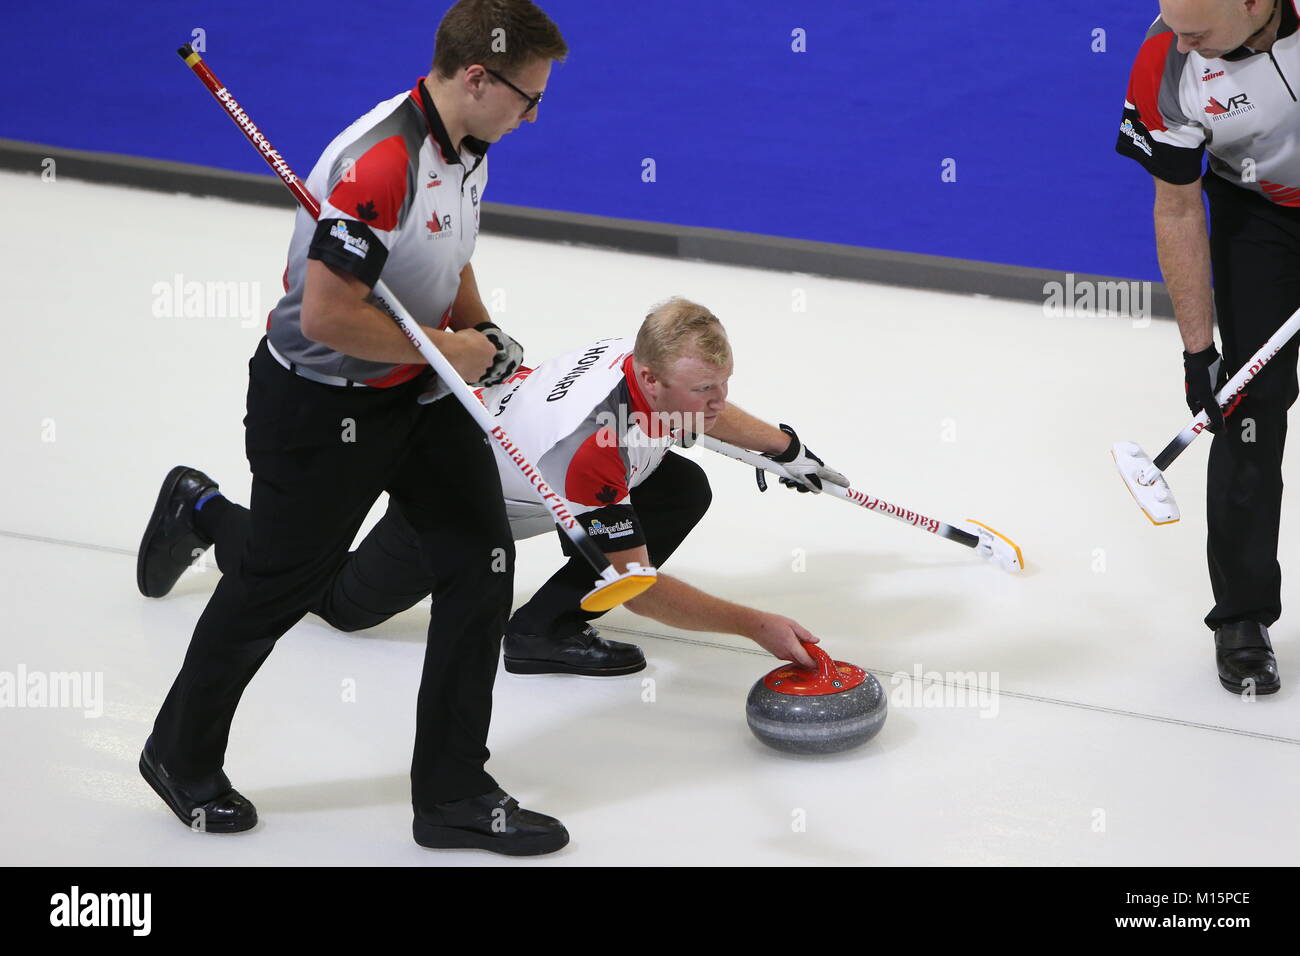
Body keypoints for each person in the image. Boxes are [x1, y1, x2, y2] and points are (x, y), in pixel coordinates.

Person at [137, 0, 574, 856]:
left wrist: (483, 337)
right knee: (278, 587)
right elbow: (333, 316)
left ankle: (451, 794)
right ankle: (177, 753)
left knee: (482, 565)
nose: (533, 116)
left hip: (417, 392)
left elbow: (447, 253)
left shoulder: (468, 144)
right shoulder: (381, 162)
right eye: (529, 97)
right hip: (323, 403)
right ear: (477, 77)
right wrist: (453, 349)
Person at [144, 299, 849, 678]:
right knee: (342, 605)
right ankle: (201, 507)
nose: (715, 403)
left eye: (721, 387)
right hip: (457, 488)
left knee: (681, 485)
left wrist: (788, 450)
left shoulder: (649, 364)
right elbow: (639, 585)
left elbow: (711, 406)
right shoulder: (591, 447)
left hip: (512, 440)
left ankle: (542, 630)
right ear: (654, 380)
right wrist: (754, 623)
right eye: (701, 392)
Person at [1116, 0, 1299, 695]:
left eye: (1195, 26)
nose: (1175, 36)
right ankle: (1243, 618)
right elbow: (1177, 206)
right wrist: (1200, 356)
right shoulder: (1167, 60)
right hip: (1262, 213)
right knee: (1248, 411)